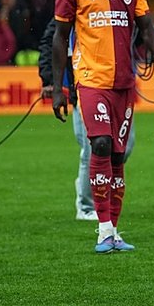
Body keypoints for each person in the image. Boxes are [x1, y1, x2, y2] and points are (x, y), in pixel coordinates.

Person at [52, 0, 154, 254]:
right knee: (100, 144)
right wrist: (57, 88)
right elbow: (59, 38)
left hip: (124, 82)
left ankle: (113, 230)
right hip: (90, 80)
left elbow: (146, 25)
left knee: (117, 156)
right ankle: (102, 229)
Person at [39, 18, 135, 222]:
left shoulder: (115, 6)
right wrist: (49, 80)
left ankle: (101, 193)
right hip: (84, 86)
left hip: (118, 87)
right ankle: (86, 205)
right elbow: (52, 40)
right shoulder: (74, 7)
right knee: (93, 148)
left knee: (124, 147)